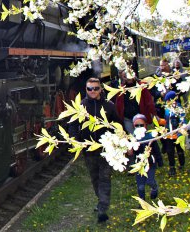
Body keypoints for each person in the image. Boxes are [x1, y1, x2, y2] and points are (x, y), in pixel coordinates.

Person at [68, 77, 120, 223]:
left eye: (96, 88)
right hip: (89, 149)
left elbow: (117, 124)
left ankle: (103, 208)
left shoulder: (109, 106)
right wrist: (75, 139)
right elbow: (72, 125)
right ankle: (100, 200)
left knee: (104, 178)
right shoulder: (81, 106)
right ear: (86, 90)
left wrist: (118, 142)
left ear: (101, 89)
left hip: (106, 149)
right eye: (90, 89)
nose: (93, 91)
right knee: (95, 177)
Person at [130, 114, 164, 200]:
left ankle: (154, 188)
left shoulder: (150, 136)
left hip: (150, 163)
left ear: (146, 125)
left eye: (141, 125)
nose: (139, 127)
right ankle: (142, 202)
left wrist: (159, 161)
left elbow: (156, 150)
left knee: (150, 181)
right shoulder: (133, 137)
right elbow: (131, 152)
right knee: (140, 186)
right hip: (139, 163)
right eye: (136, 125)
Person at [160, 91, 186, 176]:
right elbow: (167, 120)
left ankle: (182, 163)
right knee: (170, 151)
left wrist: (182, 129)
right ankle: (172, 168)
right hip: (169, 134)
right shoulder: (167, 108)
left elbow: (182, 119)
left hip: (177, 134)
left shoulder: (179, 108)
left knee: (179, 149)